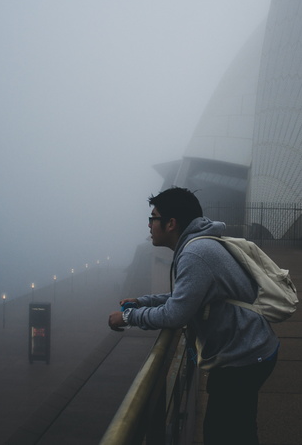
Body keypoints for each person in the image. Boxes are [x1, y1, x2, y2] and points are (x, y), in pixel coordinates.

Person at [108, 187, 279, 445]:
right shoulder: (197, 247)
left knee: (221, 436)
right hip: (250, 349)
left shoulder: (195, 253)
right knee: (240, 431)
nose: (149, 225)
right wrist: (143, 301)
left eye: (153, 218)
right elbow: (187, 297)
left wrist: (130, 317)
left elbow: (176, 314)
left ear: (171, 223)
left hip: (244, 356)